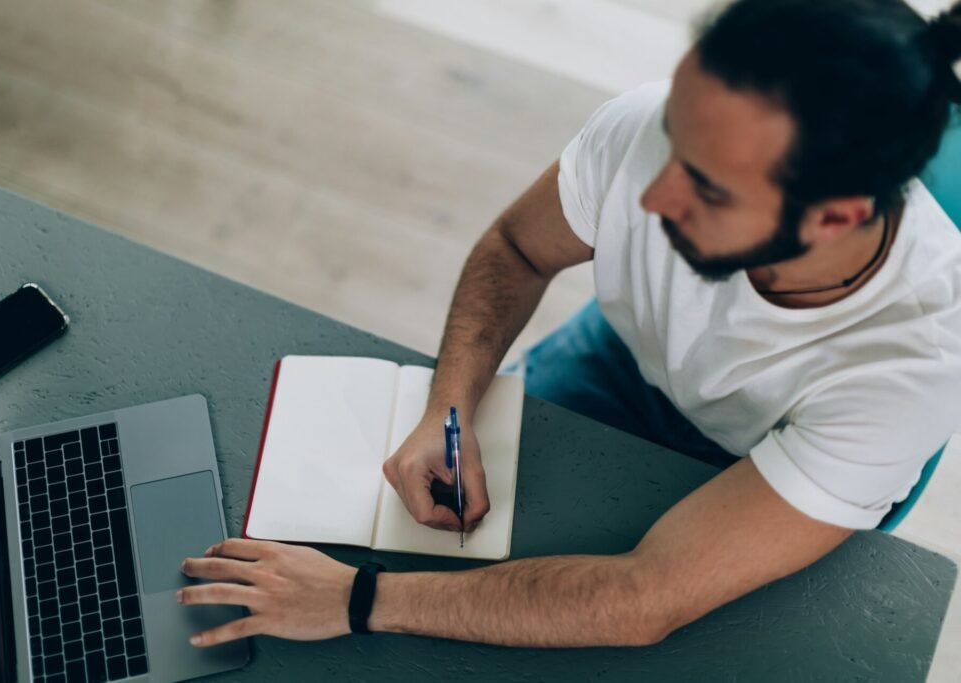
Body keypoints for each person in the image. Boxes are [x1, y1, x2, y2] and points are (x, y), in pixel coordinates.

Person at [176, 0, 961, 647]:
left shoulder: (913, 370)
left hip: (770, 463)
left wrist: (356, 599)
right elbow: (519, 247)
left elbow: (643, 598)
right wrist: (447, 406)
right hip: (623, 360)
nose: (652, 200)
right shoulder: (647, 128)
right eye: (672, 142)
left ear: (833, 219)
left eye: (708, 189)